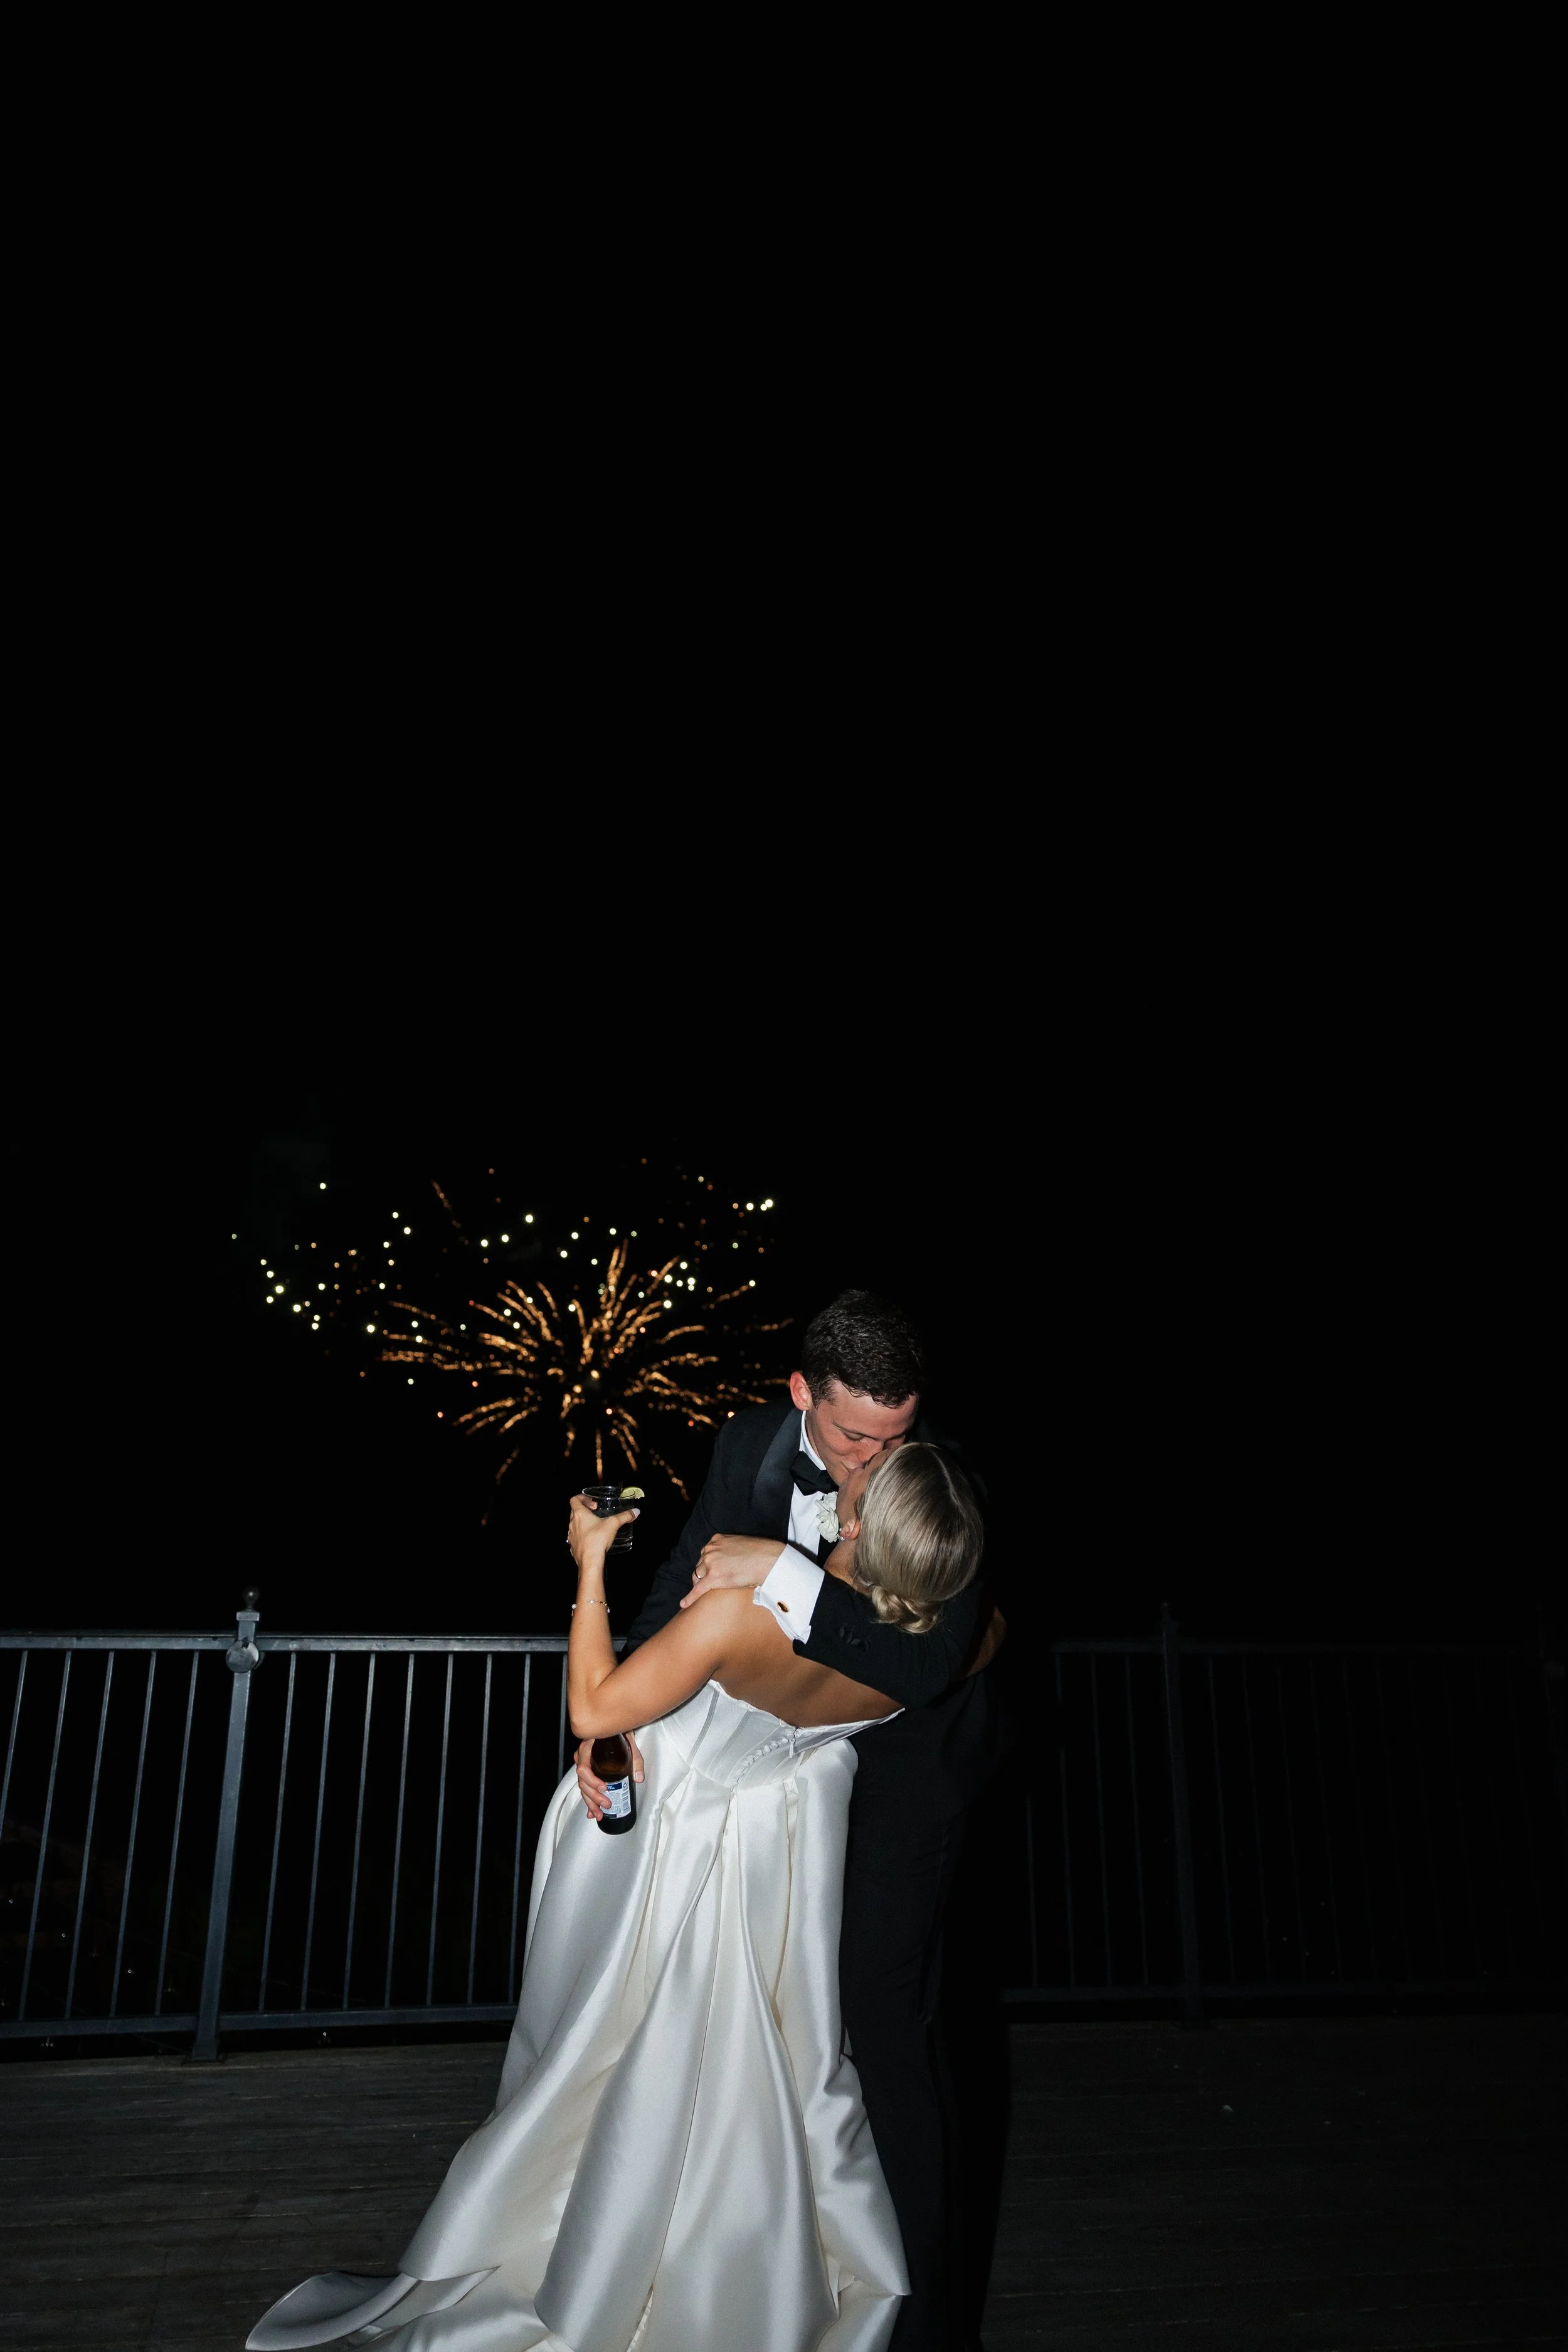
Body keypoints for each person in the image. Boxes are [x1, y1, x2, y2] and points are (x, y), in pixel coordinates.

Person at [246, 1438, 993, 2352]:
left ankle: (583, 2264)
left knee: (601, 2056)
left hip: (662, 1847)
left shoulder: (739, 1614)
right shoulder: (915, 1653)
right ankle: (704, 2272)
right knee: (729, 2084)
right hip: (770, 1872)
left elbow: (597, 1710)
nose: (853, 1471)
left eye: (866, 1479)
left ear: (860, 1521)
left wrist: (591, 1560)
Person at [580, 1291, 1005, 2352]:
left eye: (897, 1435)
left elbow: (926, 1658)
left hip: (903, 1779)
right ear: (801, 1394)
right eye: (857, 1434)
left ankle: (930, 2323)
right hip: (777, 1785)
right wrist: (612, 1733)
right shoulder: (744, 1446)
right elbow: (674, 1588)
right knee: (764, 2033)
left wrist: (787, 1574)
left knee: (880, 2036)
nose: (875, 1461)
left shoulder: (937, 1477)